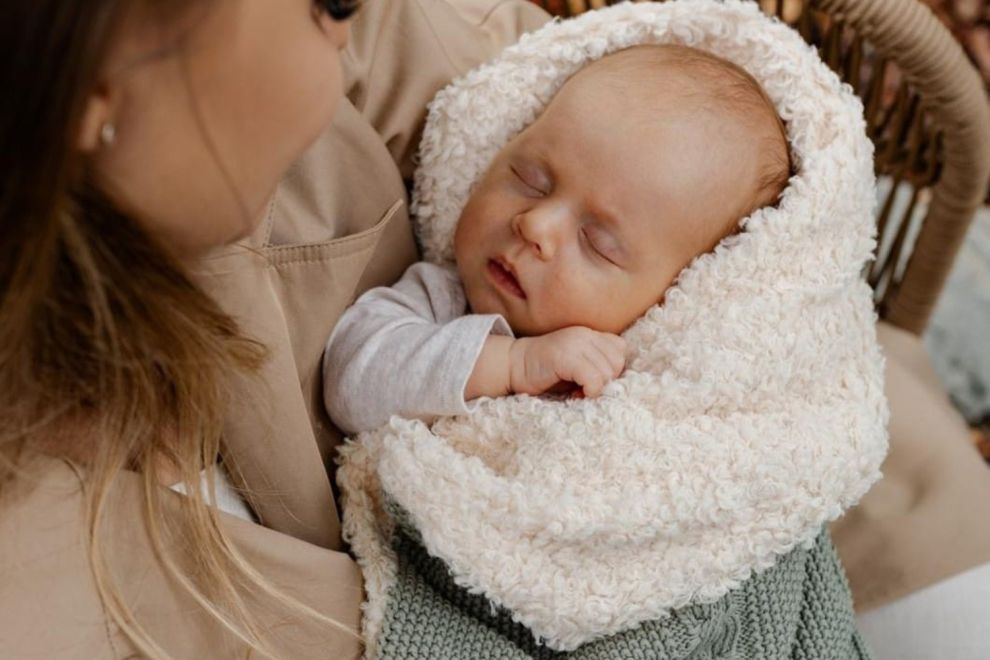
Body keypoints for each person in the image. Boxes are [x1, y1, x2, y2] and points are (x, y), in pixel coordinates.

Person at [0, 1, 548, 658]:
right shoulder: (41, 595)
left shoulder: (373, 43)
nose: (352, 18)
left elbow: (652, 125)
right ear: (90, 89)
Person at [324, 44, 790, 433]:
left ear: (675, 296)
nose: (535, 225)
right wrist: (511, 362)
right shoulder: (442, 299)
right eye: (530, 179)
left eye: (597, 243)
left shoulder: (666, 388)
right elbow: (351, 381)